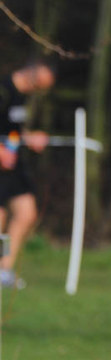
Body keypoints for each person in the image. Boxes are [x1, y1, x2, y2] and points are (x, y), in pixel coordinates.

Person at [0, 59, 56, 289]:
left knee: (27, 212)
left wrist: (30, 137)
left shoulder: (22, 98)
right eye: (39, 83)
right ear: (30, 73)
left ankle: (4, 269)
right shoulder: (3, 90)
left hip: (14, 165)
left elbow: (13, 130)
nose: (39, 89)